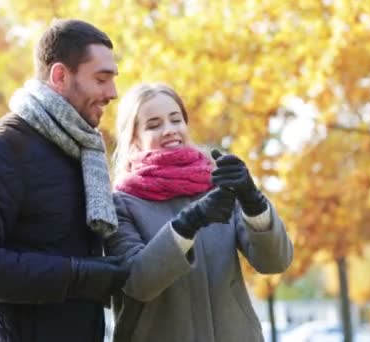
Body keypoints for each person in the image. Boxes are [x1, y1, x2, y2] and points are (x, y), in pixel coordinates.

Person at [0, 19, 131, 342]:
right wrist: (77, 275)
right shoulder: (1, 150)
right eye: (101, 79)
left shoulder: (82, 150)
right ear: (59, 76)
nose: (112, 93)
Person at [106, 83, 294, 342]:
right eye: (154, 124)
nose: (170, 130)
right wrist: (188, 224)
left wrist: (252, 200)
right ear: (133, 138)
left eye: (176, 119)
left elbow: (275, 261)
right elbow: (139, 282)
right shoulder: (120, 204)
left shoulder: (218, 185)